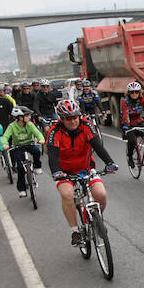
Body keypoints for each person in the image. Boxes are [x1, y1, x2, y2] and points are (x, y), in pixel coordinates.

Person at [48, 99, 118, 246]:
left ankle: (97, 221)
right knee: (67, 194)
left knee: (101, 194)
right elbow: (52, 156)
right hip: (65, 172)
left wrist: (109, 163)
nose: (73, 121)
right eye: (68, 118)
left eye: (75, 117)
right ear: (61, 119)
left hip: (86, 168)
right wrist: (56, 172)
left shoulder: (87, 125)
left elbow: (98, 147)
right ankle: (75, 231)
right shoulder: (55, 131)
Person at [0, 106, 45, 198]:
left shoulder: (30, 124)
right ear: (20, 117)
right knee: (20, 168)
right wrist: (5, 144)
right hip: (18, 146)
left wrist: (41, 139)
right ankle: (22, 189)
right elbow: (5, 137)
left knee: (36, 151)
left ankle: (37, 166)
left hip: (29, 144)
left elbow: (38, 133)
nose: (29, 117)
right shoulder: (12, 126)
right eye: (27, 115)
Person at [120, 81, 144, 166]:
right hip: (128, 123)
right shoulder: (125, 101)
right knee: (132, 142)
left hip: (138, 120)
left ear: (139, 92)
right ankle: (130, 157)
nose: (134, 94)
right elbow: (125, 113)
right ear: (128, 93)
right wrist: (126, 125)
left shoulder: (141, 100)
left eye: (136, 92)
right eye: (132, 92)